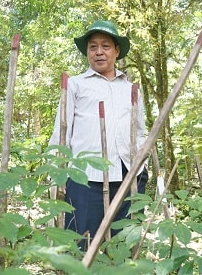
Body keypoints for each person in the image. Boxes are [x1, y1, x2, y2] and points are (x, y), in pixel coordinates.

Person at [49, 20, 148, 251]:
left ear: (117, 51)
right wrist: (56, 173)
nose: (99, 52)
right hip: (84, 177)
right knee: (81, 243)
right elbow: (61, 132)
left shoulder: (131, 89)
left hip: (127, 173)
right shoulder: (75, 85)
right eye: (93, 47)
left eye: (105, 46)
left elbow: (140, 131)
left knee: (123, 243)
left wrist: (141, 166)